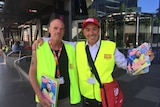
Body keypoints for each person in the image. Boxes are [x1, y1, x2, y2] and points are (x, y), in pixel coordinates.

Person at [32, 18, 154, 107]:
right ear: (83, 32)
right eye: (88, 30)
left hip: (104, 98)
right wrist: (42, 39)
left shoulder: (110, 47)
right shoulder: (77, 46)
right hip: (86, 99)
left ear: (99, 30)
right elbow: (58, 40)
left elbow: (127, 66)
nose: (91, 33)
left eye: (94, 29)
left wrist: (145, 60)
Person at [29, 18, 81, 107]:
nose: (58, 31)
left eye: (61, 29)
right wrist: (40, 97)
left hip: (65, 99)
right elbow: (31, 74)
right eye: (55, 28)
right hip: (46, 98)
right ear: (49, 29)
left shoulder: (71, 48)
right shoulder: (39, 48)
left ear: (64, 31)